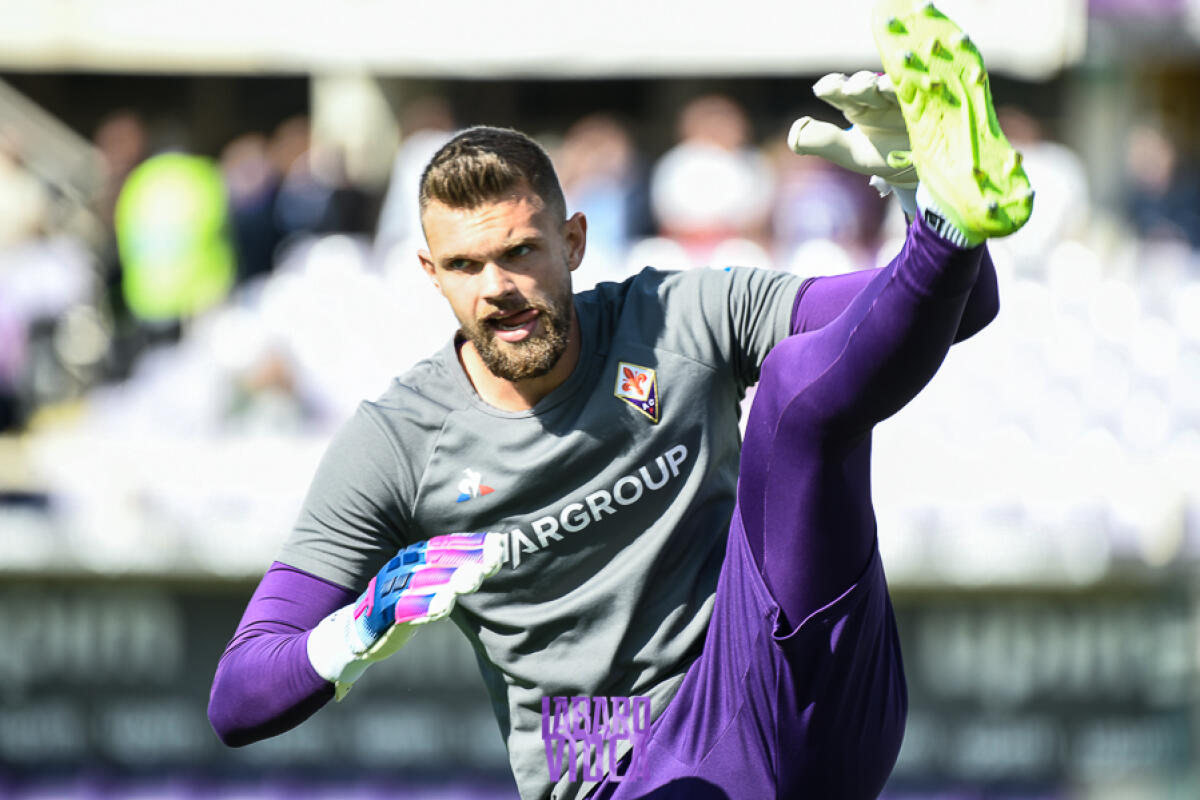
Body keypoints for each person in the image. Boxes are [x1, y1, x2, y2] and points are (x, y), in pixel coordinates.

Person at [208, 3, 1033, 798]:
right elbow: (237, 697)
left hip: (791, 686)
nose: (497, 288)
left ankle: (951, 221)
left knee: (795, 386)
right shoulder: (396, 443)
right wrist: (357, 627)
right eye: (464, 266)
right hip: (622, 777)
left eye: (520, 252)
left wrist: (924, 204)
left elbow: (965, 309)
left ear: (573, 242)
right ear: (431, 273)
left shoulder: (675, 315)